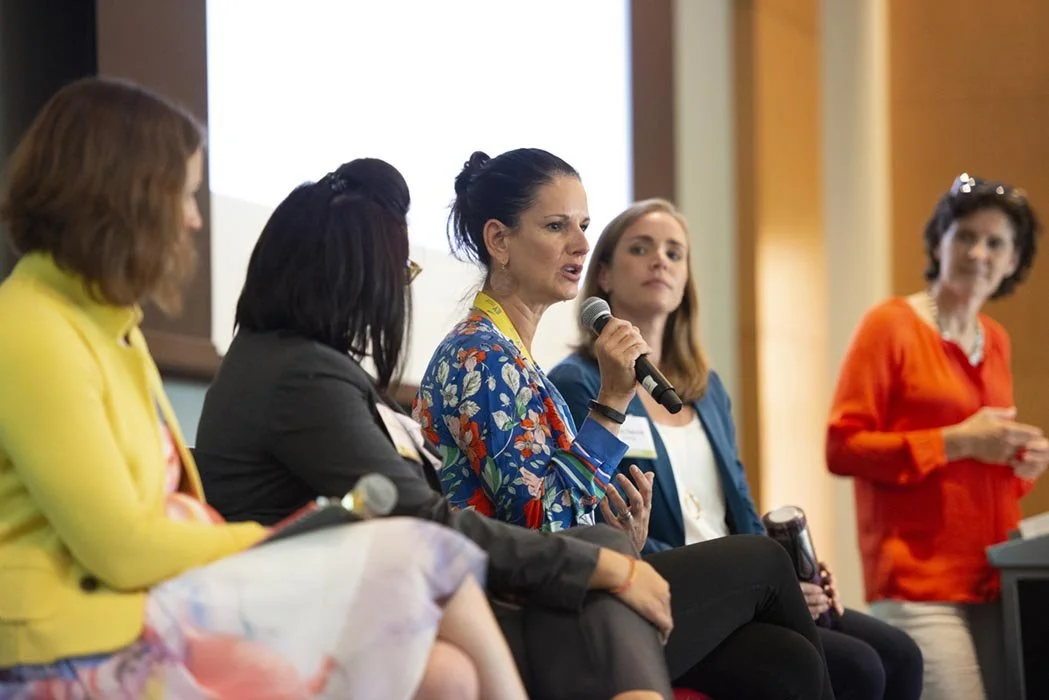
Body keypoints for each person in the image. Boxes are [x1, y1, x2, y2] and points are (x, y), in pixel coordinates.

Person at [0, 77, 528, 700]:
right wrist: (278, 544)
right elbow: (120, 549)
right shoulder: (30, 330)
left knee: (449, 675)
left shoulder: (107, 326)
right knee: (417, 549)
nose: (195, 218)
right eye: (184, 194)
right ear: (124, 196)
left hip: (136, 614)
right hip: (72, 644)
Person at [194, 157, 679, 700]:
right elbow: (459, 521)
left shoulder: (296, 365)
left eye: (585, 227)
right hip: (319, 611)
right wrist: (605, 549)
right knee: (704, 571)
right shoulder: (319, 373)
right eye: (398, 272)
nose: (397, 294)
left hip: (395, 592)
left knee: (723, 610)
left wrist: (610, 548)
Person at [414, 148, 836, 699]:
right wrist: (614, 398)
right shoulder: (481, 358)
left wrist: (621, 536)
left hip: (570, 590)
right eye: (556, 226)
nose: (581, 246)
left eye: (584, 227)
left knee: (790, 663)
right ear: (499, 241)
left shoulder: (514, 359)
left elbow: (558, 509)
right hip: (529, 612)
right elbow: (542, 530)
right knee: (762, 561)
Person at [547, 197, 924, 700]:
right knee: (857, 667)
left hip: (750, 581)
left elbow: (740, 503)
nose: (661, 260)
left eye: (674, 253)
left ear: (685, 283)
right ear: (606, 277)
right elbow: (607, 516)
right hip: (681, 581)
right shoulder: (581, 382)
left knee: (901, 653)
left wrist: (792, 574)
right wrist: (740, 572)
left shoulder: (707, 389)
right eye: (641, 249)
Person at [826, 172, 1046, 700]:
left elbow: (971, 471)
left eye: (997, 243)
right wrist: (959, 440)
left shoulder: (995, 340)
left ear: (1014, 261)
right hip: (919, 585)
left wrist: (1020, 467)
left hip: (994, 577)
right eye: (966, 236)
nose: (979, 253)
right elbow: (842, 447)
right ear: (939, 242)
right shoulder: (890, 325)